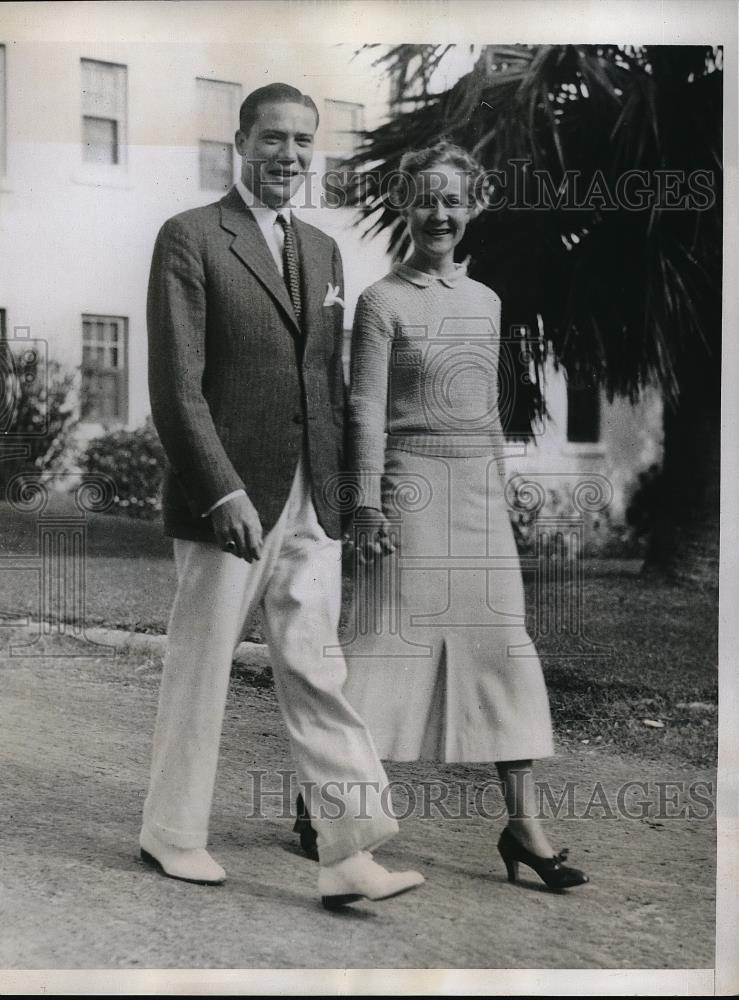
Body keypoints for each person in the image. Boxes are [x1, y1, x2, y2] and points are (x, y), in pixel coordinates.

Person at [141, 82, 424, 909]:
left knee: (318, 668)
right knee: (201, 669)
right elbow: (175, 386)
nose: (289, 156)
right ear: (240, 142)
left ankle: (349, 853)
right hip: (226, 499)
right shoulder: (190, 237)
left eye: (303, 141)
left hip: (311, 502)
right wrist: (221, 488)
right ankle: (172, 833)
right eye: (273, 139)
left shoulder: (325, 252)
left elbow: (327, 385)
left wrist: (352, 499)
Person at [339, 143, 589, 891]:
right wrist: (365, 502)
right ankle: (333, 804)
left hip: (476, 494)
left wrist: (496, 487)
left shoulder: (485, 301)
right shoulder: (380, 300)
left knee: (501, 648)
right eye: (424, 200)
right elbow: (365, 410)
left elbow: (484, 414)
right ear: (405, 206)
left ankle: (521, 825)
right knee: (386, 644)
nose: (439, 214)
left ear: (473, 206)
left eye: (453, 201)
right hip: (408, 488)